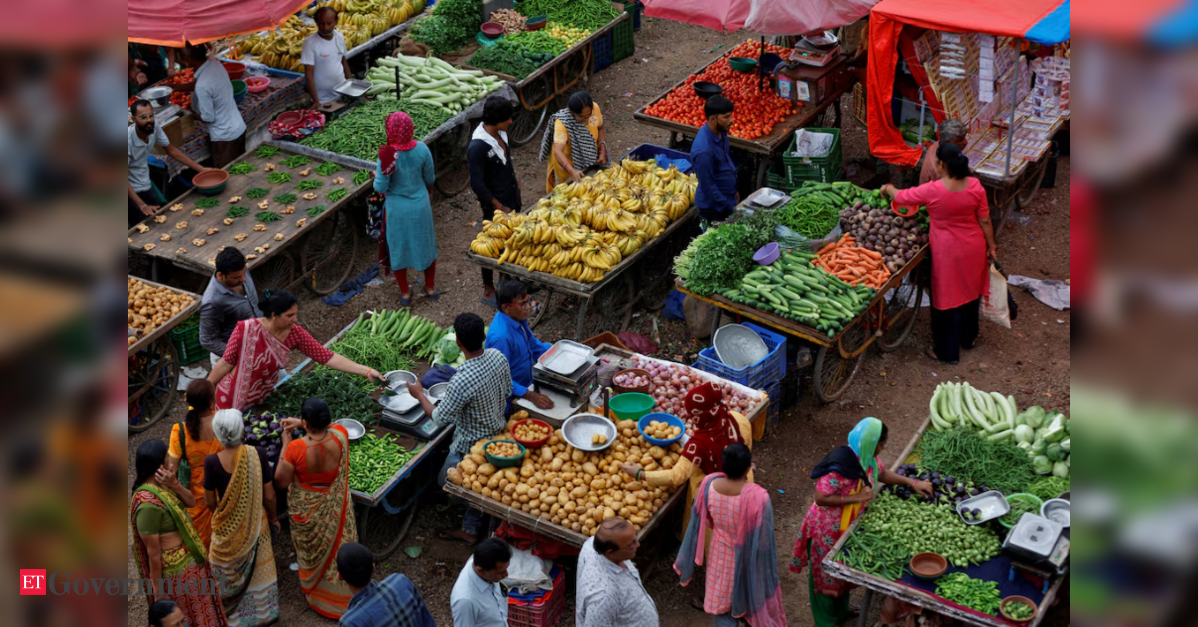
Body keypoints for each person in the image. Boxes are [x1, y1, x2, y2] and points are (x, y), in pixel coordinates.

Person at [790, 418, 934, 627]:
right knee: (825, 578)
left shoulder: (868, 458)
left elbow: (882, 474)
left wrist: (913, 483)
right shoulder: (839, 465)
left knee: (841, 574)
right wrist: (856, 498)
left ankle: (840, 613)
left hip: (847, 527)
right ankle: (826, 622)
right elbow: (821, 497)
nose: (883, 448)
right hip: (826, 530)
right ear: (871, 443)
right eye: (882, 444)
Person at [881, 143, 997, 365]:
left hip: (947, 251)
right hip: (973, 246)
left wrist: (887, 188)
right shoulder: (975, 186)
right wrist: (991, 248)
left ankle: (947, 352)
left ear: (942, 165)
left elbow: (902, 197)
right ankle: (968, 338)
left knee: (947, 299)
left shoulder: (933, 189)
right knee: (971, 292)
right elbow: (985, 220)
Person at [410, 313, 510, 545]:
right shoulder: (498, 357)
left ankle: (473, 520)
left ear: (458, 343)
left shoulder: (461, 379)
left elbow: (439, 418)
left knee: (445, 480)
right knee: (477, 483)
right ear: (484, 337)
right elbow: (506, 392)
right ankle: (475, 517)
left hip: (470, 447)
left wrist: (419, 396)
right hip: (498, 434)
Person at [208, 289, 383, 411]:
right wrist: (206, 388)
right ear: (274, 315)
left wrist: (366, 371)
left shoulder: (295, 334)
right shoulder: (246, 329)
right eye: (290, 315)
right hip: (230, 397)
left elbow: (327, 357)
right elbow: (226, 362)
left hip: (261, 398)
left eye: (295, 314)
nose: (295, 319)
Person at [620, 381, 754, 539]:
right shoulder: (739, 420)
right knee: (740, 528)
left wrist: (640, 474)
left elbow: (675, 477)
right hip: (744, 484)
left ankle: (708, 557)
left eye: (693, 414)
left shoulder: (698, 445)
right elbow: (746, 450)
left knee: (715, 537)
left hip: (715, 497)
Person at [675, 444, 786, 627]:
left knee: (722, 608)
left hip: (720, 556)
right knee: (752, 602)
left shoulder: (709, 484)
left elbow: (708, 519)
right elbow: (764, 539)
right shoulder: (759, 496)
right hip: (749, 559)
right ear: (748, 468)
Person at [275, 398, 360, 618]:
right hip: (332, 505)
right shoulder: (341, 435)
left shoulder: (296, 448)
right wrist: (302, 422)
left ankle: (319, 593)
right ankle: (342, 596)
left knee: (313, 550)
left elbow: (281, 481)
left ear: (305, 422)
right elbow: (331, 428)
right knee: (336, 546)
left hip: (309, 507)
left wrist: (285, 442)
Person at [130, 440, 227, 627]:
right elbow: (153, 553)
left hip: (190, 566)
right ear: (159, 465)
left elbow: (191, 502)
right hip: (177, 575)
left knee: (201, 614)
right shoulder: (147, 505)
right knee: (188, 617)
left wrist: (175, 484)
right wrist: (159, 594)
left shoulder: (164, 486)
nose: (171, 460)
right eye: (167, 457)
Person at [204, 409, 280, 626]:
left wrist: (223, 514)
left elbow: (209, 500)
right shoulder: (258, 454)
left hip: (225, 529)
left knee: (223, 573)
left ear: (218, 434)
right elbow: (270, 495)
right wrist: (273, 518)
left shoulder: (212, 462)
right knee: (258, 572)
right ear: (242, 429)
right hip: (257, 525)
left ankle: (228, 614)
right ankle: (263, 615)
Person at [374, 111, 439, 305]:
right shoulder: (421, 149)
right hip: (420, 206)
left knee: (399, 248)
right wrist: (429, 191)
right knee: (426, 245)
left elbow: (380, 188)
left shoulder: (387, 155)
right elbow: (430, 178)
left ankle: (404, 293)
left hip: (397, 210)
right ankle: (430, 287)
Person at [467, 97, 522, 308]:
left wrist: (515, 183)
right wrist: (499, 206)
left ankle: (505, 279)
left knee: (509, 239)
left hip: (511, 196)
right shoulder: (477, 147)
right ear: (497, 120)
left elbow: (506, 161)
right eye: (507, 118)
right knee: (489, 243)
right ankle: (488, 288)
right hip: (495, 204)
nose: (511, 121)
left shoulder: (501, 134)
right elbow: (477, 185)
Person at [128, 99, 215, 227]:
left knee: (160, 218)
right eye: (143, 117)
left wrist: (201, 169)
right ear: (133, 119)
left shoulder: (153, 127)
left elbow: (172, 150)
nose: (148, 120)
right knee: (142, 227)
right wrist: (142, 205)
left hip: (144, 182)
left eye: (151, 116)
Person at [164, 379, 223, 547]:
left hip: (196, 498)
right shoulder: (222, 423)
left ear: (186, 401)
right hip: (223, 488)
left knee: (202, 544)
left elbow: (172, 469)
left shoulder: (180, 430)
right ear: (212, 402)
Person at [484, 280, 555, 410]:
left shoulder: (518, 318)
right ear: (506, 307)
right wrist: (530, 395)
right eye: (523, 304)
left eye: (528, 301)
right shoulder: (502, 338)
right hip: (509, 397)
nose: (528, 307)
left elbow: (532, 344)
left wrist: (555, 353)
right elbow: (500, 380)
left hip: (528, 382)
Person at [576, 518, 659, 627]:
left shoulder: (592, 544)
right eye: (632, 544)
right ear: (611, 552)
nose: (638, 545)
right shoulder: (603, 597)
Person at [336, 542, 437, 627]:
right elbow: (428, 622)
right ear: (373, 566)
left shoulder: (351, 621)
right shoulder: (400, 580)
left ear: (339, 576)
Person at [180, 42, 247, 168]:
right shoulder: (217, 65)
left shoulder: (202, 86)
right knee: (241, 168)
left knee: (229, 176)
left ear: (188, 61)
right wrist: (176, 87)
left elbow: (208, 117)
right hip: (239, 127)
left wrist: (192, 116)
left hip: (224, 138)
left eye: (182, 57)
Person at [199, 247, 261, 365]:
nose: (243, 279)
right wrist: (239, 355)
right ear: (221, 275)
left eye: (244, 273)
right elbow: (207, 340)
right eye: (237, 277)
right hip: (234, 358)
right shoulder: (212, 301)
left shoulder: (240, 270)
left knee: (282, 380)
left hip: (257, 344)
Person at [540, 90, 606, 193]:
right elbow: (558, 151)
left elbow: (600, 128)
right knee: (567, 193)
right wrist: (572, 171)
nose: (586, 120)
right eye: (582, 117)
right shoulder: (562, 122)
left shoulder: (595, 108)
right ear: (572, 112)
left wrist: (602, 151)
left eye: (589, 115)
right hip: (567, 164)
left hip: (589, 158)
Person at [690, 95, 738, 224]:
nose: (731, 120)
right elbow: (708, 186)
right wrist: (727, 205)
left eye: (731, 116)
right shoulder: (704, 151)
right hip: (714, 208)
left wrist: (733, 192)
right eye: (726, 117)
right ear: (713, 119)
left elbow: (725, 163)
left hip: (726, 197)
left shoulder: (720, 133)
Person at [450, 537, 511, 627]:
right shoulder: (465, 601)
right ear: (481, 570)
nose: (506, 575)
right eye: (500, 572)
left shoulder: (480, 560)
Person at [302, 7, 352, 110]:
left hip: (342, 93)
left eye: (329, 23)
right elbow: (309, 75)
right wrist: (316, 101)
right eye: (321, 23)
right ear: (316, 23)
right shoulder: (310, 43)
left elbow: (343, 61)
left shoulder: (339, 37)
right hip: (323, 100)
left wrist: (351, 83)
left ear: (336, 22)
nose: (325, 27)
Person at [919, 118, 968, 186]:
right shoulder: (942, 171)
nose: (965, 142)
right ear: (948, 142)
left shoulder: (939, 144)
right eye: (960, 140)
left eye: (964, 138)